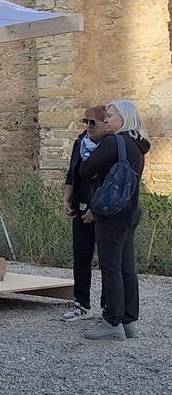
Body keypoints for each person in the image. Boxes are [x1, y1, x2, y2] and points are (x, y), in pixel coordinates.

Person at [78, 100, 149, 341]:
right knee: (126, 266)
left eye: (110, 116)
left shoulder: (113, 142)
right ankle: (130, 322)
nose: (105, 120)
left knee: (110, 267)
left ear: (123, 119)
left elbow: (85, 171)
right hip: (131, 210)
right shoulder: (138, 145)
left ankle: (112, 321)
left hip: (111, 213)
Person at [60, 105, 109, 322]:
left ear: (105, 125)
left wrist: (96, 209)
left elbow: (109, 182)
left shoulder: (110, 147)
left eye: (93, 123)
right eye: (85, 121)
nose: (88, 126)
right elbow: (72, 172)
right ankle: (82, 304)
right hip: (80, 207)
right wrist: (66, 199)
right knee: (81, 256)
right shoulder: (80, 142)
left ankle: (109, 306)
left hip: (102, 212)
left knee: (108, 260)